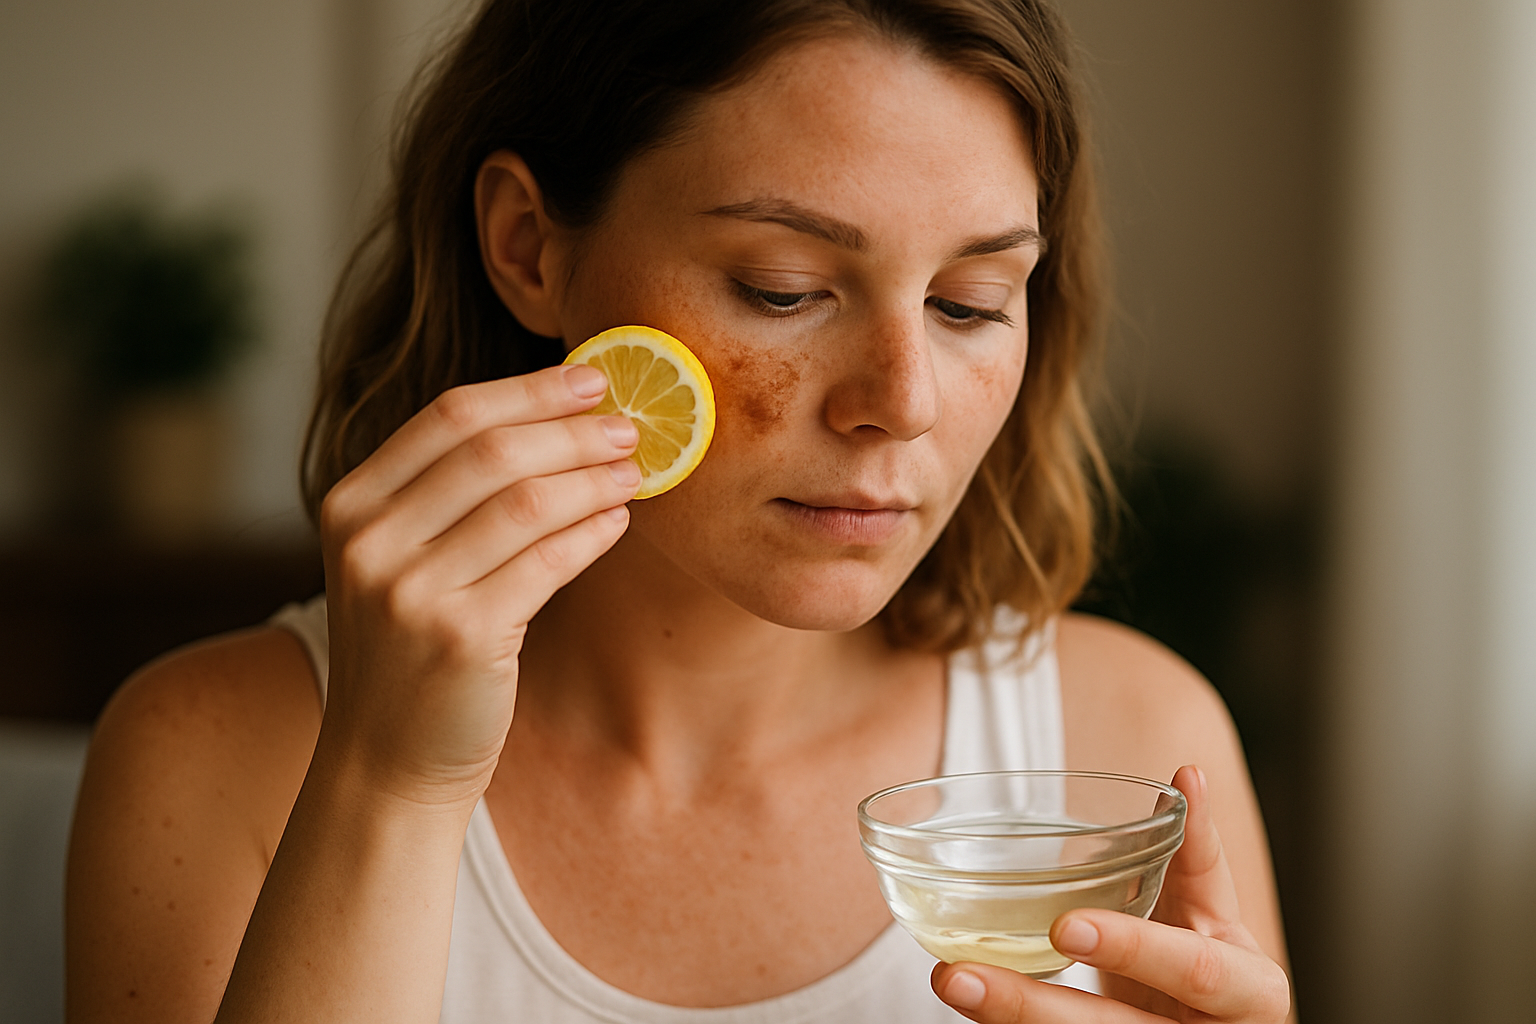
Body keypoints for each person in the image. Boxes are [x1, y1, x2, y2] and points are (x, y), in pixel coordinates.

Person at [65, 1, 1295, 1021]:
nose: (903, 403)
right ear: (531, 248)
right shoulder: (216, 759)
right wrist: (391, 782)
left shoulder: (1130, 749)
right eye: (785, 287)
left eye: (971, 303)